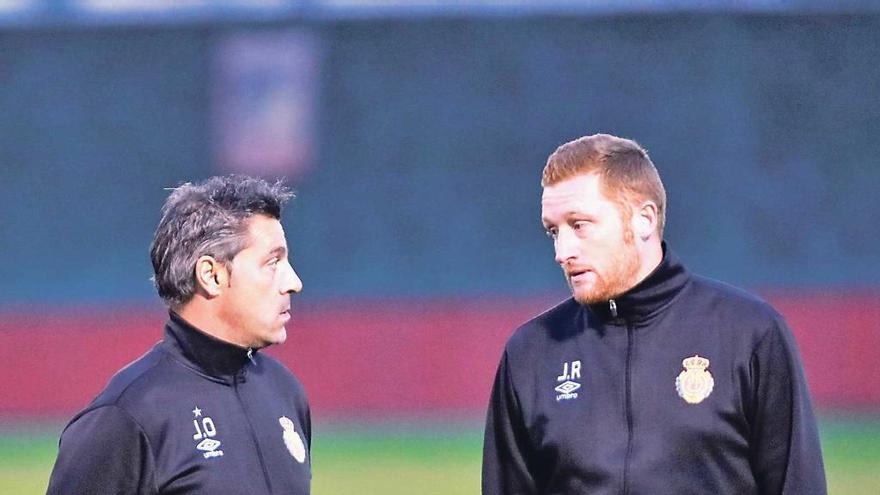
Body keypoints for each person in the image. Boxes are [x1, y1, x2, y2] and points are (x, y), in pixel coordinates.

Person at [482, 134, 826, 494]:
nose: (562, 250)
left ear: (644, 220)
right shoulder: (531, 353)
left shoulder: (750, 334)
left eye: (579, 225)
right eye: (553, 231)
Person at [48, 175, 311, 494]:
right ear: (211, 275)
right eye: (272, 262)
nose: (294, 281)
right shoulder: (126, 416)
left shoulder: (284, 391)